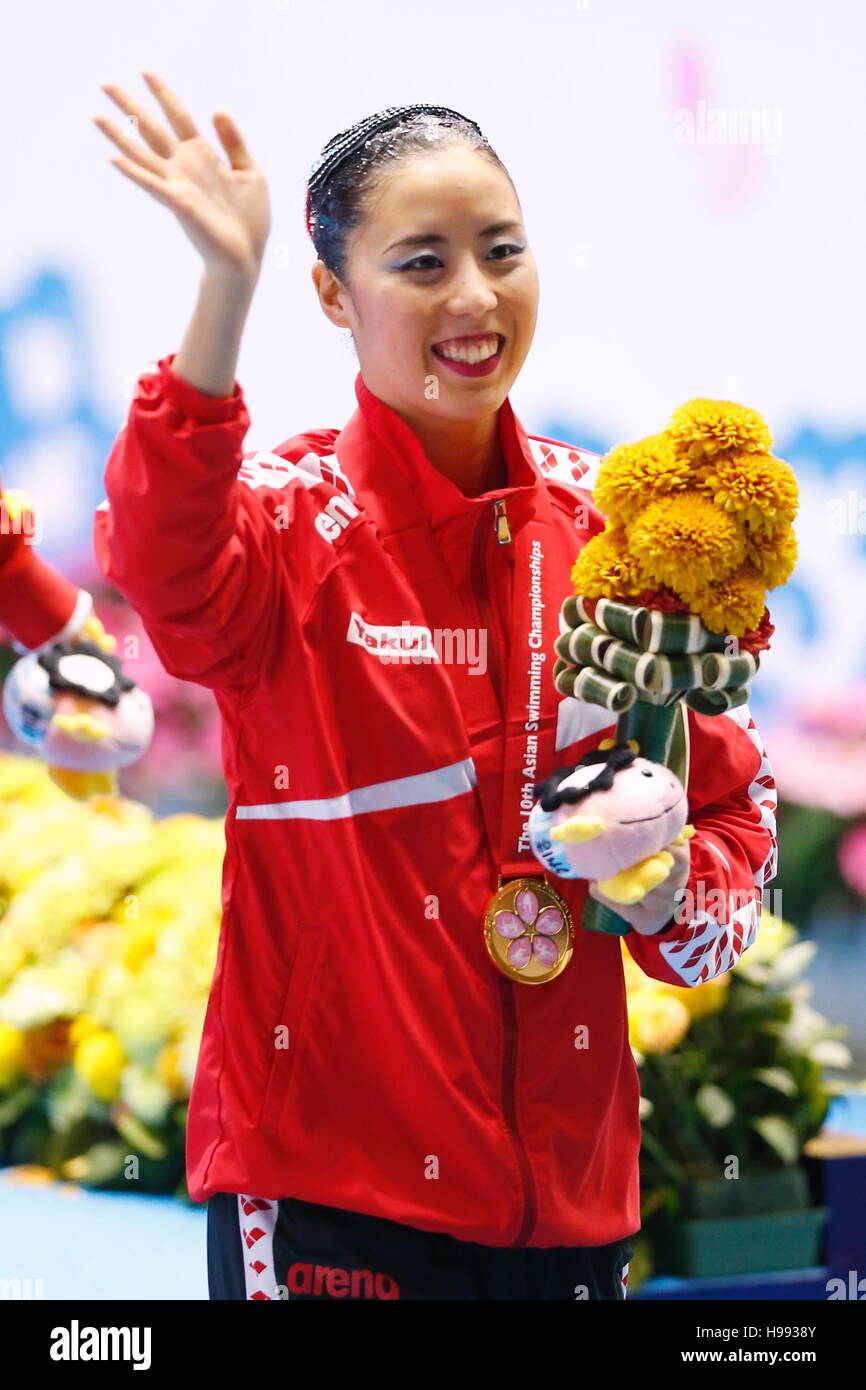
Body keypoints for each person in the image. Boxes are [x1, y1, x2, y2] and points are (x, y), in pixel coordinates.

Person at [91, 72, 777, 1301]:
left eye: (500, 252)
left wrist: (672, 885)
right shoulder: (289, 530)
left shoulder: (615, 540)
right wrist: (220, 293)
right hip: (331, 1203)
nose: (474, 298)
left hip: (567, 1212)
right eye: (420, 263)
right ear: (329, 293)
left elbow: (737, 828)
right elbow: (161, 559)